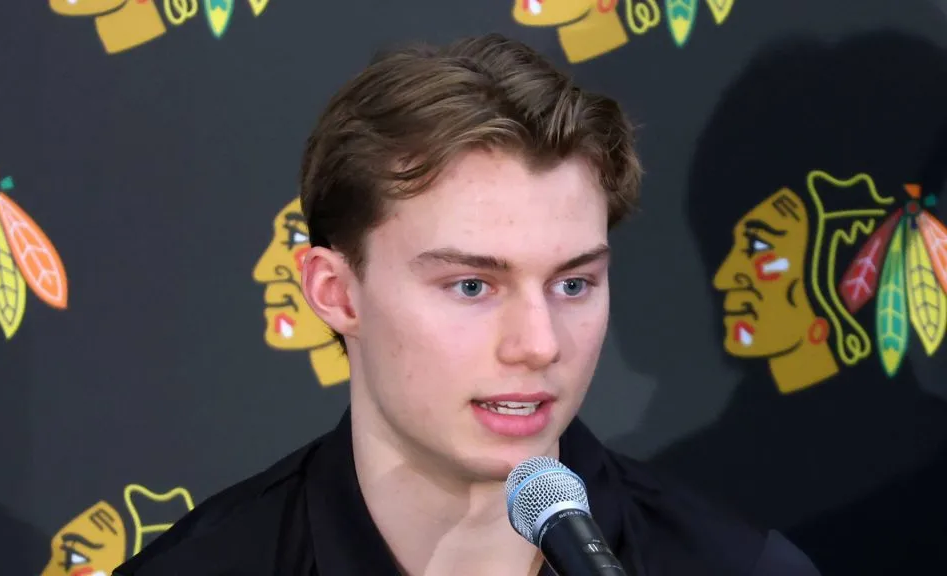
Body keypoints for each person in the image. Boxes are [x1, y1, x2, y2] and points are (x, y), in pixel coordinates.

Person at [111, 33, 820, 576]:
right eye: (472, 286)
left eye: (572, 284)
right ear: (335, 292)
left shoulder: (735, 566)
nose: (539, 345)